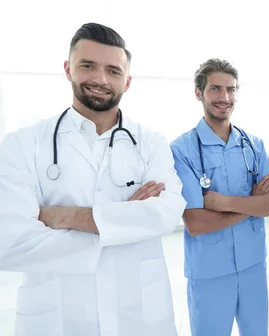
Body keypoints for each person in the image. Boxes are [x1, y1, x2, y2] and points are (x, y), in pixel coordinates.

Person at [0, 23, 186, 336]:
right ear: (68, 69)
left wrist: (64, 217)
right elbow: (10, 242)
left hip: (138, 317)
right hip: (58, 319)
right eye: (88, 66)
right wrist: (125, 224)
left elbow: (167, 214)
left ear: (127, 81)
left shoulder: (151, 143)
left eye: (113, 70)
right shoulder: (22, 144)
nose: (100, 79)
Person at [170, 58, 269, 336]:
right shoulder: (181, 149)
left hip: (253, 266)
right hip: (209, 272)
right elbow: (195, 223)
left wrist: (223, 203)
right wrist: (253, 204)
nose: (225, 97)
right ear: (199, 93)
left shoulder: (253, 144)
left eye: (231, 90)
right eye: (215, 89)